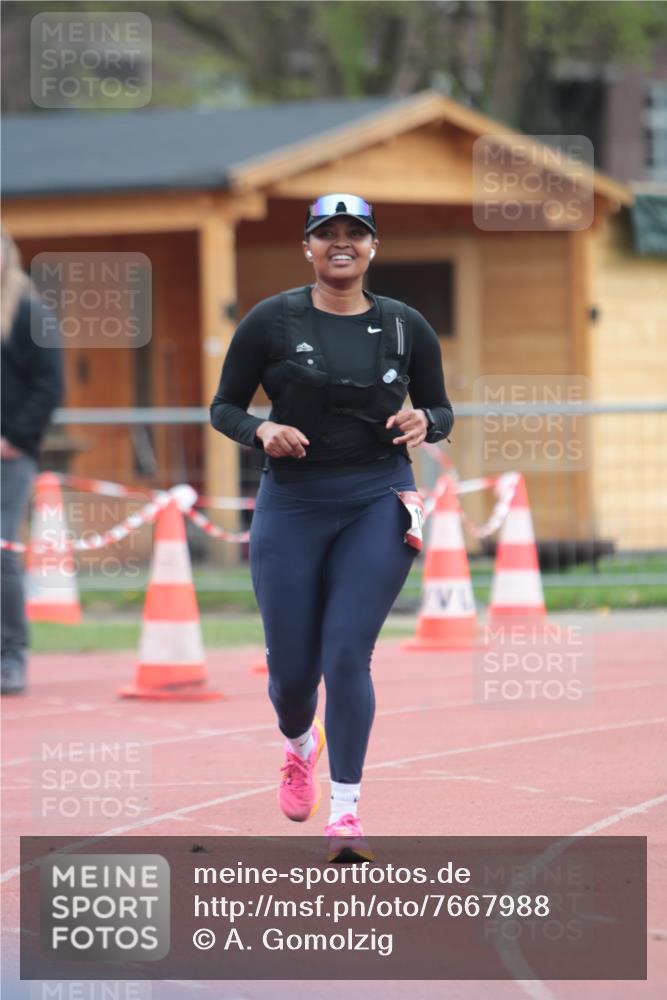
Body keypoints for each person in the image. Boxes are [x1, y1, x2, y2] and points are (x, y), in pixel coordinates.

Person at [210, 194, 454, 861]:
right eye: (327, 233)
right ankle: (299, 743)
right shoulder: (272, 320)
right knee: (293, 677)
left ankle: (345, 814)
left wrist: (425, 421)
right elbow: (224, 406)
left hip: (378, 497)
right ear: (308, 247)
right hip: (292, 504)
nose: (340, 243)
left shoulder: (405, 325)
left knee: (347, 654)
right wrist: (261, 431)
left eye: (355, 233)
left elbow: (440, 409)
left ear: (372, 247)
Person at [1, 227, 64, 695]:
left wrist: (15, 439)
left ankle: (10, 656)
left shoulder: (28, 311)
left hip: (9, 456)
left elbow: (49, 384)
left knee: (1, 553)